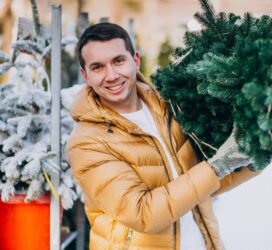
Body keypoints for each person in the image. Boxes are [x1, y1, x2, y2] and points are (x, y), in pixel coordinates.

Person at [68, 22, 260, 250]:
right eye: (98, 67)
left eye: (118, 61)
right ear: (85, 75)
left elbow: (204, 183)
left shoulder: (168, 106)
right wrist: (218, 166)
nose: (111, 75)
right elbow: (142, 213)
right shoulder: (87, 143)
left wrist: (257, 153)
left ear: (135, 60)